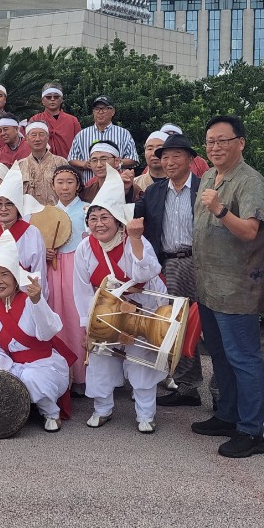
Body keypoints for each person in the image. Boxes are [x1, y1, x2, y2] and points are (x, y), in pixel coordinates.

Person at [191, 115, 264, 459]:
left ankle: (252, 431)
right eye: (210, 141)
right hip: (208, 284)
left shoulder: (251, 181)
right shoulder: (209, 175)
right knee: (221, 354)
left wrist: (220, 209)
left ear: (241, 142)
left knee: (244, 358)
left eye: (223, 141)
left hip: (237, 286)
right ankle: (227, 415)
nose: (215, 147)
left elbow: (250, 231)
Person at [73, 171, 168, 433]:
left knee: (140, 358)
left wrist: (136, 238)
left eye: (105, 217)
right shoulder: (84, 248)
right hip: (106, 308)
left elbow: (144, 273)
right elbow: (81, 289)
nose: (98, 224)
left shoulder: (133, 241)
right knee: (101, 356)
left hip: (142, 305)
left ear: (117, 220)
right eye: (93, 218)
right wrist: (87, 327)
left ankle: (146, 415)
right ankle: (102, 409)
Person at [135, 134, 205, 407]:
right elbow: (131, 215)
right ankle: (188, 386)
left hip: (203, 261)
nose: (170, 161)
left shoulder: (204, 188)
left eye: (177, 155)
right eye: (165, 156)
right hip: (171, 264)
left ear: (190, 159)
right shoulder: (154, 191)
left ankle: (222, 393)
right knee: (178, 323)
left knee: (211, 326)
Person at [0, 230, 71, 432]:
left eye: (4, 275)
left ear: (15, 278)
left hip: (45, 367)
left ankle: (50, 411)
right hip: (13, 368)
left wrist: (38, 301)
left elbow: (48, 331)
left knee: (30, 378)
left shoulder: (31, 301)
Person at [0, 166, 47, 310]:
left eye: (9, 204)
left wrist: (38, 302)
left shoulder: (32, 232)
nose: (3, 208)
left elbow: (39, 271)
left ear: (18, 207)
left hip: (27, 300)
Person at [45, 164, 87, 391]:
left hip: (79, 268)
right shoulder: (47, 213)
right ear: (53, 186)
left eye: (69, 182)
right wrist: (46, 252)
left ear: (78, 185)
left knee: (77, 319)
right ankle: (62, 375)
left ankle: (83, 375)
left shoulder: (87, 211)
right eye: (60, 182)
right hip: (55, 267)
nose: (64, 187)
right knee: (58, 316)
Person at [69, 96, 138, 183]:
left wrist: (116, 163)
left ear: (112, 112)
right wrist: (85, 164)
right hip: (89, 186)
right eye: (97, 109)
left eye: (104, 109)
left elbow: (133, 159)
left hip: (117, 184)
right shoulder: (82, 135)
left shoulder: (124, 133)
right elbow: (71, 159)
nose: (100, 112)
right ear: (93, 112)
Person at [17, 121, 68, 206]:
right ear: (26, 138)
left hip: (56, 214)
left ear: (48, 137)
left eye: (41, 134)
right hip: (27, 216)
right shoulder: (20, 166)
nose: (37, 139)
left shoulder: (61, 163)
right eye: (33, 135)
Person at [27, 84, 80, 159]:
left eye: (56, 97)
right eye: (48, 97)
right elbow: (28, 144)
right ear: (42, 100)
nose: (52, 99)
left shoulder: (72, 121)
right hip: (42, 164)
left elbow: (79, 145)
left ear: (61, 100)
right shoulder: (35, 120)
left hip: (68, 165)